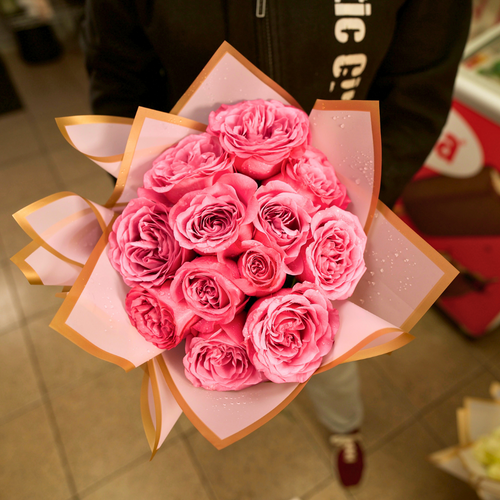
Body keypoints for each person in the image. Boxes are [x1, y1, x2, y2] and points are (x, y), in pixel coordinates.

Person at [80, 0, 471, 489]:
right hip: (192, 216)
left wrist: (344, 209)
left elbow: (416, 95)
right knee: (234, 344)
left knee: (320, 349)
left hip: (333, 218)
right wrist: (154, 190)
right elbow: (118, 77)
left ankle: (343, 427)